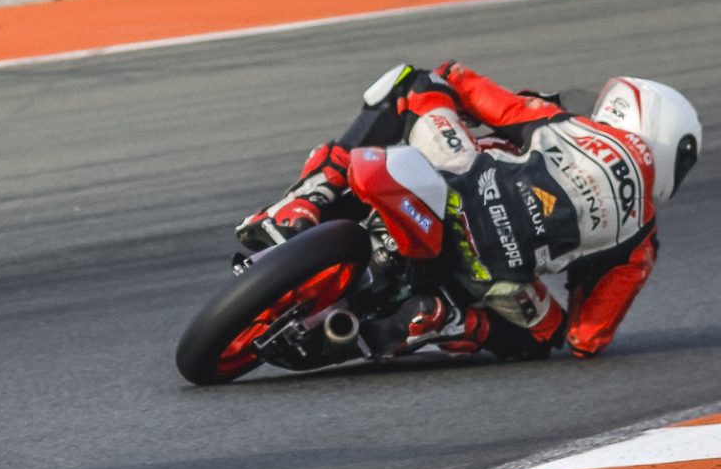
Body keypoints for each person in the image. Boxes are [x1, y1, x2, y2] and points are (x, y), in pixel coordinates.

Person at [238, 63, 700, 361]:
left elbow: (459, 79)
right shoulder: (641, 241)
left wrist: (461, 103)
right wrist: (582, 266)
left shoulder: (568, 124)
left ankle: (305, 200)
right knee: (546, 337)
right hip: (493, 276)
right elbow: (586, 336)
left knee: (414, 81)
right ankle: (452, 319)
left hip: (457, 185)